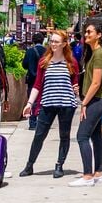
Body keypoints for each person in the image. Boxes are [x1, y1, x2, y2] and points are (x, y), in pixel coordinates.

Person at [19, 30, 80, 178]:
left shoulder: (71, 62)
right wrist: (29, 103)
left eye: (56, 42)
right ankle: (29, 165)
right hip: (47, 102)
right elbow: (37, 85)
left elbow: (76, 84)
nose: (53, 44)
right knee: (39, 135)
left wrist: (77, 90)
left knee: (64, 135)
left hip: (66, 104)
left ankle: (59, 165)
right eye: (51, 41)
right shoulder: (44, 62)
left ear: (64, 44)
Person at [70, 22, 102, 187]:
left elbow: (96, 83)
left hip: (97, 100)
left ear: (99, 34)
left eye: (89, 32)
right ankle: (99, 173)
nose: (86, 35)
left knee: (82, 136)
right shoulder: (94, 53)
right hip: (97, 99)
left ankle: (87, 175)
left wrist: (84, 103)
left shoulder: (99, 54)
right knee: (95, 136)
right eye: (85, 32)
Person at [21, 32, 46, 130]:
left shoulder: (29, 51)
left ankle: (32, 122)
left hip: (32, 79)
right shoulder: (47, 51)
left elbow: (24, 65)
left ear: (33, 41)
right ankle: (42, 122)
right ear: (42, 40)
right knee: (43, 100)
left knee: (32, 100)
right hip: (44, 80)